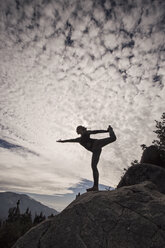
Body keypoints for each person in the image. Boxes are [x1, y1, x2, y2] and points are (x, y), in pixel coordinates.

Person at [57, 125, 117, 191]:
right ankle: (95, 187)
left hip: (97, 144)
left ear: (81, 129)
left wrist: (106, 131)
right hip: (95, 150)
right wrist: (62, 141)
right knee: (94, 166)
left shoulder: (86, 133)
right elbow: (71, 140)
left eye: (77, 129)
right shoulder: (79, 139)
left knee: (113, 138)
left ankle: (110, 129)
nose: (76, 130)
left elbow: (95, 132)